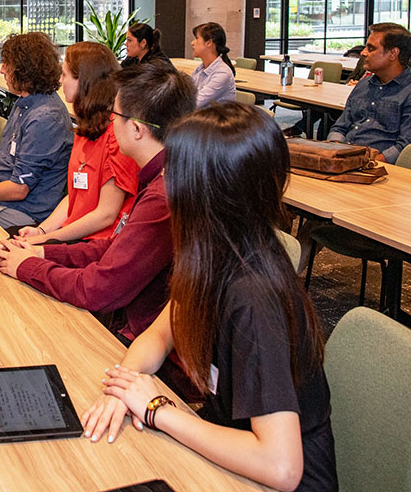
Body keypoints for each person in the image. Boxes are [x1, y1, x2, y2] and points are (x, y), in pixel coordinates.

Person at [80, 103, 336, 492]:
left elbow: (281, 468)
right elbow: (158, 335)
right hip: (225, 450)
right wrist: (125, 387)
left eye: (174, 173)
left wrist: (156, 409)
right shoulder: (215, 254)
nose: (166, 181)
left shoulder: (253, 299)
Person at [0, 63, 196, 342]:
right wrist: (42, 251)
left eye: (115, 114)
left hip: (137, 335)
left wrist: (27, 266)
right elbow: (116, 248)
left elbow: (100, 289)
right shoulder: (167, 174)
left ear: (136, 129)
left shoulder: (163, 195)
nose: (111, 121)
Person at [16, 42, 139, 245]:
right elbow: (75, 197)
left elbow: (106, 214)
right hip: (73, 235)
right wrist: (41, 231)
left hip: (97, 245)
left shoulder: (116, 135)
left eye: (65, 75)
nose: (59, 80)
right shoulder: (86, 129)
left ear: (84, 81)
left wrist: (47, 239)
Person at [0, 32, 72, 231]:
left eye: (7, 64)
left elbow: (18, 189)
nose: (2, 70)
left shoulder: (45, 118)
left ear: (25, 70)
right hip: (3, 200)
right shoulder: (24, 104)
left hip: (23, 212)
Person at [326, 23, 411, 163]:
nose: (363, 52)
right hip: (345, 159)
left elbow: (406, 149)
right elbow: (340, 127)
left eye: (371, 48)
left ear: (393, 54)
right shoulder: (364, 85)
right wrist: (335, 148)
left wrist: (367, 161)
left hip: (379, 169)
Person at [190, 21, 236, 107]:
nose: (192, 43)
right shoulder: (200, 68)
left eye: (196, 38)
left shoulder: (222, 73)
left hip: (216, 120)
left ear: (209, 43)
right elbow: (186, 95)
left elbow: (194, 103)